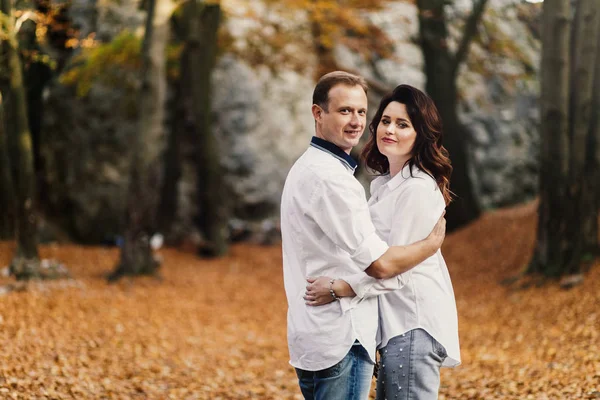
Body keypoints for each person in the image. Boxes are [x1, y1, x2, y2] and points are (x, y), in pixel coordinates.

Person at [281, 72, 447, 400]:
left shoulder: (309, 168)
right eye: (345, 111)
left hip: (324, 333)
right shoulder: (333, 180)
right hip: (342, 334)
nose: (357, 121)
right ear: (318, 113)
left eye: (361, 111)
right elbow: (381, 264)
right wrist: (431, 244)